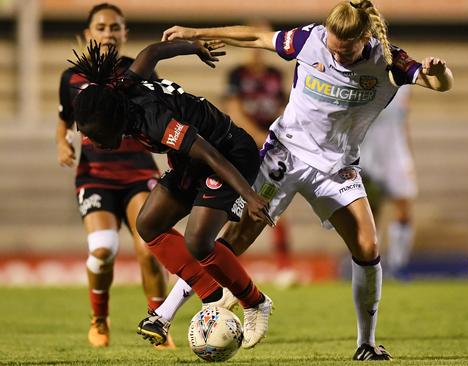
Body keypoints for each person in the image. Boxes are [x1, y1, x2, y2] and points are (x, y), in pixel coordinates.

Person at [161, 0, 453, 360]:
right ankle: (166, 313)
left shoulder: (389, 60)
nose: (338, 55)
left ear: (365, 38)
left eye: (347, 50)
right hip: (285, 155)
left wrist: (439, 72)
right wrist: (195, 31)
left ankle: (366, 343)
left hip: (337, 168)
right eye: (333, 46)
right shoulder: (310, 39)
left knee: (368, 246)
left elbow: (439, 83)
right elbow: (255, 36)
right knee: (232, 240)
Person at [68, 38, 274, 350]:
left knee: (198, 241)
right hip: (190, 160)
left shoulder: (152, 120)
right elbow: (150, 52)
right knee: (148, 223)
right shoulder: (124, 86)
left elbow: (208, 153)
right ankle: (213, 294)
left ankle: (255, 301)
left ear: (113, 121)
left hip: (228, 153)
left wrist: (249, 194)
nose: (95, 143)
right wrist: (194, 46)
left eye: (97, 136)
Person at [55, 3, 172, 348]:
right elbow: (64, 121)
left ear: (124, 34)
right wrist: (62, 142)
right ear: (88, 34)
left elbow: (163, 114)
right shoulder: (72, 77)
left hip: (138, 173)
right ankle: (99, 319)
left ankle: (158, 325)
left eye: (114, 28)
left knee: (151, 249)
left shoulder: (139, 72)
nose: (108, 33)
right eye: (101, 27)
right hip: (96, 176)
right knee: (103, 248)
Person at [223, 26, 297, 287]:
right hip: (243, 147)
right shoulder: (237, 75)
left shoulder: (275, 75)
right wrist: (259, 136)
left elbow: (283, 107)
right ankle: (221, 266)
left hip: (270, 148)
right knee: (231, 208)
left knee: (273, 205)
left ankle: (284, 266)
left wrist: (274, 137)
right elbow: (233, 110)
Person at [359, 87, 417, 279]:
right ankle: (371, 266)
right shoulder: (364, 72)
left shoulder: (404, 83)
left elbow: (404, 119)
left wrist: (409, 154)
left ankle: (398, 265)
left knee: (404, 206)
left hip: (396, 153)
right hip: (368, 154)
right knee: (370, 214)